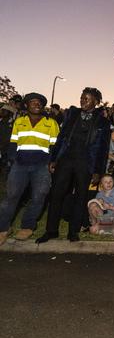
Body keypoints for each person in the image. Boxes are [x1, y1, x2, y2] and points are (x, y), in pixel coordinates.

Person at [36, 87, 111, 243]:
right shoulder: (72, 114)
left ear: (96, 102)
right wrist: (54, 158)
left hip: (85, 163)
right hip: (66, 160)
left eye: (87, 99)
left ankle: (73, 232)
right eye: (82, 97)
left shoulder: (103, 122)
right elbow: (61, 137)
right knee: (56, 194)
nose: (82, 100)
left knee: (81, 196)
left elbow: (103, 148)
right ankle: (51, 231)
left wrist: (98, 171)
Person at [0, 93, 59, 244]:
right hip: (20, 165)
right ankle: (3, 229)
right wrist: (12, 160)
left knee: (39, 196)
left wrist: (52, 162)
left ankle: (27, 226)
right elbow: (13, 143)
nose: (36, 104)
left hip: (42, 166)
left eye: (39, 102)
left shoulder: (51, 123)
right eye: (33, 102)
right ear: (26, 105)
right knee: (11, 196)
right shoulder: (19, 121)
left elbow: (56, 146)